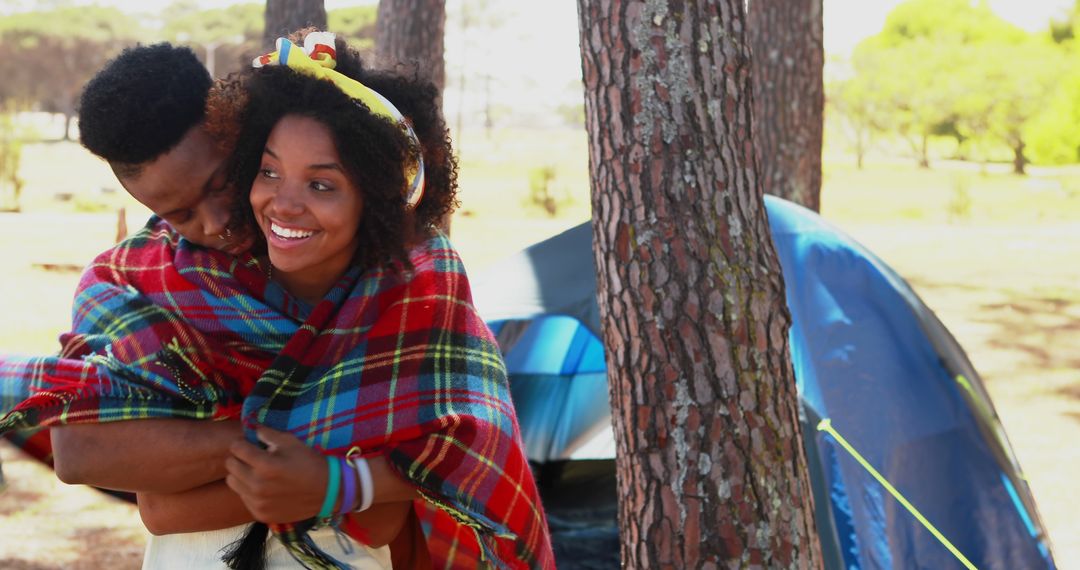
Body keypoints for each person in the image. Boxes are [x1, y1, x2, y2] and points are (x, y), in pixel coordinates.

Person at [2, 32, 554, 568]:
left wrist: (197, 454)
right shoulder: (135, 279)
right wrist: (326, 463)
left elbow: (441, 475)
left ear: (235, 134)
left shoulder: (402, 279)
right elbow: (109, 475)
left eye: (220, 185)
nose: (215, 222)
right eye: (180, 215)